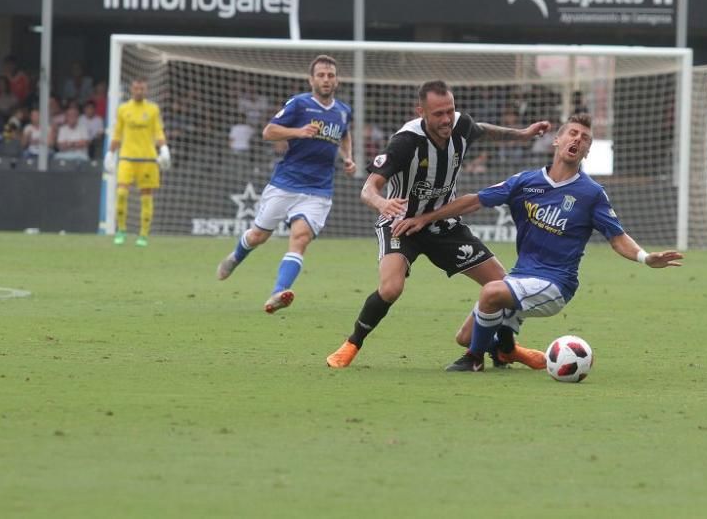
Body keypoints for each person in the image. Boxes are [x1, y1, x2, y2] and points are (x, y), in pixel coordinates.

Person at [393, 113, 683, 372]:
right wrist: (426, 218)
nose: (577, 140)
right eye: (572, 133)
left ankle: (474, 360)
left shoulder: (591, 193)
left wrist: (646, 258)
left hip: (556, 284)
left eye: (584, 138)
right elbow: (474, 201)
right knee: (464, 335)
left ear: (587, 150)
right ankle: (505, 349)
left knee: (491, 292)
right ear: (557, 140)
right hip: (522, 277)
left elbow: (617, 238)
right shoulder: (525, 181)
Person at [325, 80, 552, 369]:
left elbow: (482, 129)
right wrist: (383, 204)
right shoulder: (406, 142)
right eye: (438, 114)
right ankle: (352, 344)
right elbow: (368, 189)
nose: (447, 120)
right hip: (402, 224)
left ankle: (506, 350)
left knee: (503, 286)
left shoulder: (460, 125)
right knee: (392, 287)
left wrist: (522, 134)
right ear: (421, 111)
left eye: (450, 111)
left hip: (444, 225)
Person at [216, 56, 355, 312]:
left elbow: (345, 134)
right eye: (321, 75)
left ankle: (278, 292)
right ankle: (236, 257)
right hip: (286, 184)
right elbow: (268, 132)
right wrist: (298, 132)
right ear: (311, 79)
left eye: (331, 75)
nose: (326, 79)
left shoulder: (343, 110)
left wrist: (348, 157)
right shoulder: (299, 104)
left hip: (319, 190)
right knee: (259, 236)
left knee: (300, 238)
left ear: (336, 80)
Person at [104, 77, 171, 248]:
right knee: (121, 193)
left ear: (146, 90)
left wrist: (164, 149)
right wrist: (110, 154)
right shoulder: (123, 109)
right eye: (136, 89)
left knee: (146, 197)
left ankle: (143, 234)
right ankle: (121, 230)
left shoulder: (153, 109)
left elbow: (158, 132)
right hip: (127, 158)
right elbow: (117, 134)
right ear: (132, 90)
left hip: (148, 159)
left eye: (142, 89)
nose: (139, 91)